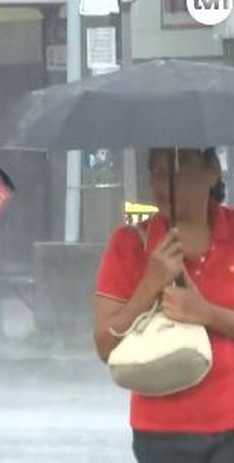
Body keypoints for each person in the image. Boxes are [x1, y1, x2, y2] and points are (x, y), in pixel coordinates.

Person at [95, 148, 234, 463]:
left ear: (212, 170)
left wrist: (206, 313)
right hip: (161, 430)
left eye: (177, 167)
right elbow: (105, 346)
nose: (162, 182)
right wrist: (150, 283)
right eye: (155, 171)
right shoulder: (131, 242)